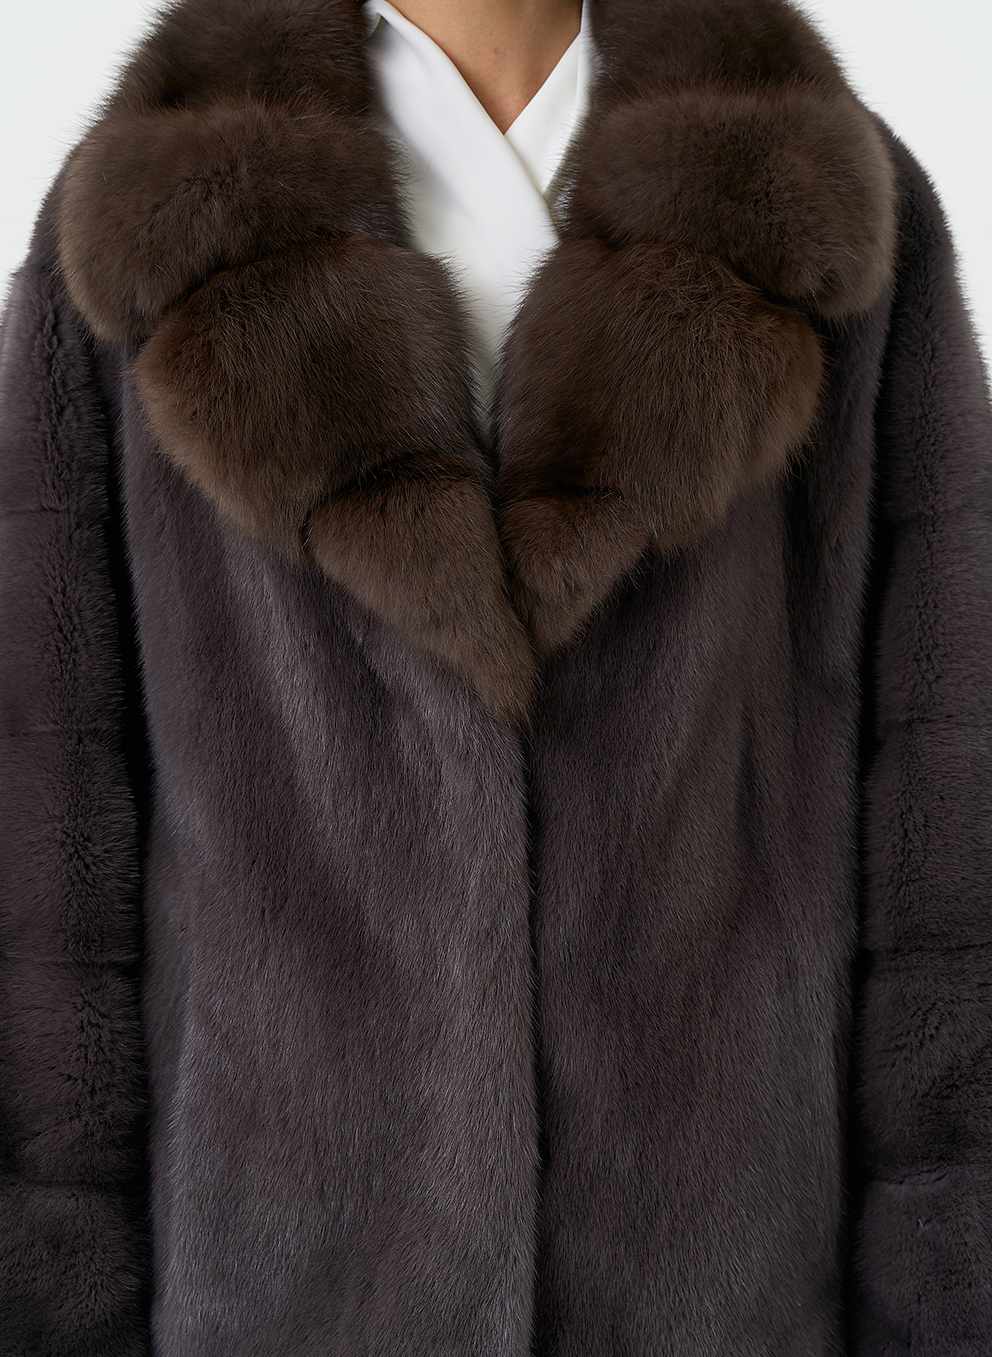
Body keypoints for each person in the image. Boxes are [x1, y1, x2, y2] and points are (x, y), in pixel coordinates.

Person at [1, 0, 990, 1352]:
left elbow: (946, 825)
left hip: (726, 1280)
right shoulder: (145, 216)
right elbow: (50, 839)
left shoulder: (824, 203)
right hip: (283, 1286)